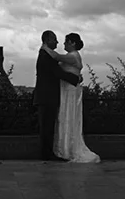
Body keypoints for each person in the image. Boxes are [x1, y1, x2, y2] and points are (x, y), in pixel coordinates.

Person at [42, 33, 100, 163]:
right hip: (69, 89)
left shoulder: (72, 56)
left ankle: (65, 148)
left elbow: (56, 56)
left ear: (72, 43)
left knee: (66, 117)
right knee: (68, 117)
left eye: (66, 42)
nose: (63, 44)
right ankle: (68, 147)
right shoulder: (73, 56)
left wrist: (44, 46)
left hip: (69, 90)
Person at [33, 31, 82, 162]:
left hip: (46, 95)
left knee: (48, 126)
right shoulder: (46, 55)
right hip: (47, 96)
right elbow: (58, 72)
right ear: (47, 40)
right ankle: (47, 154)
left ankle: (47, 153)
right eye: (54, 39)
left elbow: (57, 68)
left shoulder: (46, 54)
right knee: (47, 126)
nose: (58, 42)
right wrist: (76, 79)